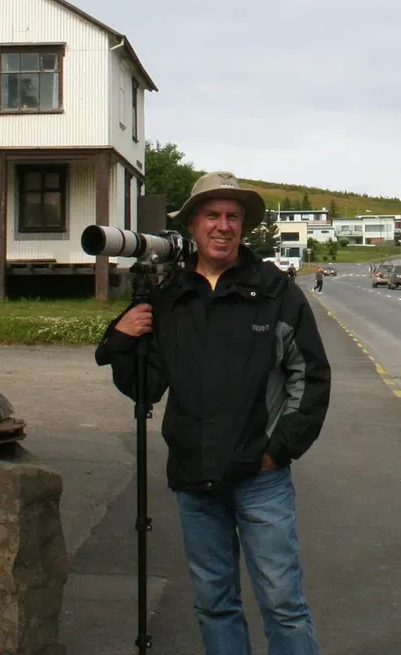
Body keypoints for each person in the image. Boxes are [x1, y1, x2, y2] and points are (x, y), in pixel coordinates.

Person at [96, 171, 331, 655]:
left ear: (242, 226)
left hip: (259, 477)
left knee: (283, 604)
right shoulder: (171, 296)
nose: (223, 226)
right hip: (194, 479)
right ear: (194, 225)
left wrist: (278, 449)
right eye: (212, 215)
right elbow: (146, 387)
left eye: (232, 217)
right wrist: (122, 338)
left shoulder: (274, 290)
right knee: (214, 604)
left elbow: (310, 377)